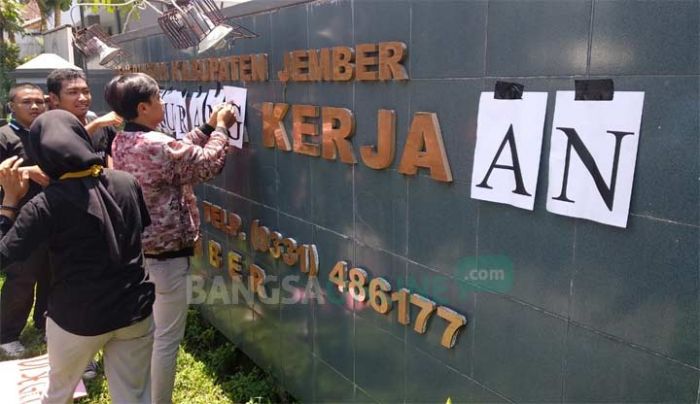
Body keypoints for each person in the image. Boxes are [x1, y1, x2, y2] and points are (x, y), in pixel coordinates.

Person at [0, 110, 155, 403]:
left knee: (59, 393)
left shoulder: (44, 205)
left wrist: (9, 203)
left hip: (77, 318)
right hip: (134, 310)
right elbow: (137, 229)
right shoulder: (126, 182)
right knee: (134, 395)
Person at [105, 72, 235, 403]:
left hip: (140, 253)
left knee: (149, 334)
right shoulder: (157, 146)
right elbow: (205, 165)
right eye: (159, 99)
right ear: (144, 107)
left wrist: (205, 129)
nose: (163, 103)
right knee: (166, 338)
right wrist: (222, 127)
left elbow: (174, 153)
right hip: (167, 257)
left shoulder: (123, 140)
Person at [0, 83, 51, 357]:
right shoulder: (5, 136)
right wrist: (28, 171)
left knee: (50, 275)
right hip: (20, 219)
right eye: (26, 102)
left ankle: (45, 324)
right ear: (12, 107)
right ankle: (7, 334)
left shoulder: (46, 133)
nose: (34, 106)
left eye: (39, 101)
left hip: (52, 217)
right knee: (21, 278)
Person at [46, 69, 122, 166]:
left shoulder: (102, 124)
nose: (82, 98)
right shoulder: (49, 127)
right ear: (54, 98)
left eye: (86, 92)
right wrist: (95, 125)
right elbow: (65, 148)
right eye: (73, 92)